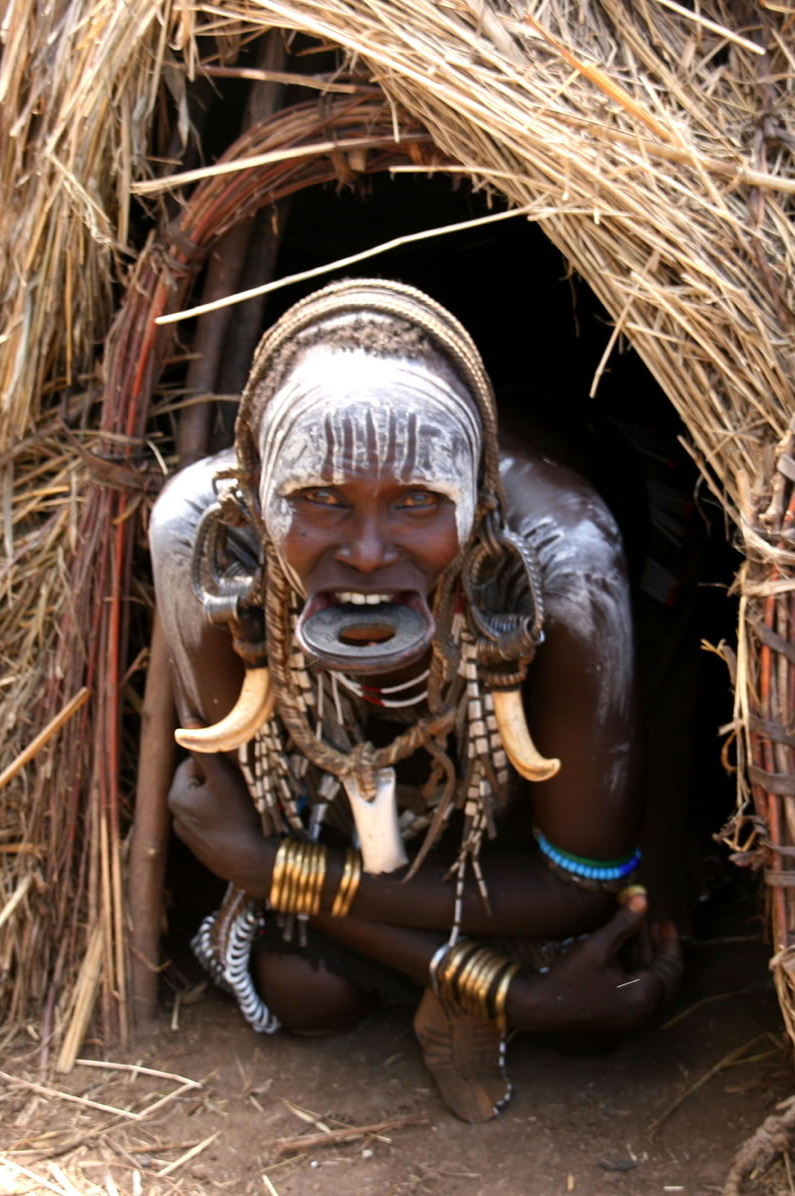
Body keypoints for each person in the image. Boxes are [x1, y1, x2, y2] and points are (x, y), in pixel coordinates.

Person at [149, 279, 680, 1121]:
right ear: (255, 498)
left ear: (478, 503)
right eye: (320, 499)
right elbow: (250, 820)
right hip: (380, 844)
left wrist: (271, 870)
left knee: (608, 990)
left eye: (418, 503)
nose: (366, 552)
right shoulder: (208, 540)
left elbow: (580, 881)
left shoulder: (562, 559)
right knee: (303, 987)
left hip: (557, 712)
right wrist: (511, 994)